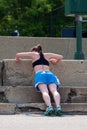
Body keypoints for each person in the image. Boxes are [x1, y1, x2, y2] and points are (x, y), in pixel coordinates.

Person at [15, 44, 63, 116]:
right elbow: (61, 57)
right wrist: (55, 61)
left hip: (40, 74)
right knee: (54, 91)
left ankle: (49, 107)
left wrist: (17, 59)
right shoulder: (47, 55)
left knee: (44, 91)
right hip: (50, 74)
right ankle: (58, 107)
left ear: (34, 51)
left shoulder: (33, 54)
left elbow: (18, 54)